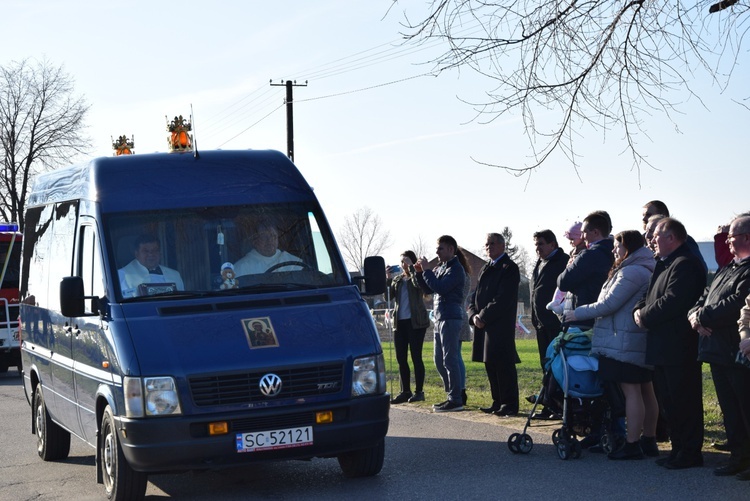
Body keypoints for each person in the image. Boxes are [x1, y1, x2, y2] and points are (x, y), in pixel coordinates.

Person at [564, 230, 658, 460]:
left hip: (625, 340)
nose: (614, 250)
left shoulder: (632, 271)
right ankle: (648, 440)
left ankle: (633, 442)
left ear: (629, 247)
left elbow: (608, 304)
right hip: (632, 338)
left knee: (632, 390)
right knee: (645, 389)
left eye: (617, 246)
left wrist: (577, 313)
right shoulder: (643, 268)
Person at [634, 217, 707, 470]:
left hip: (679, 346)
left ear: (672, 238)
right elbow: (649, 294)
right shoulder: (664, 263)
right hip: (662, 345)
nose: (652, 240)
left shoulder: (685, 263)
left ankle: (690, 452)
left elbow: (674, 301)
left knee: (683, 400)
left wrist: (644, 316)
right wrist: (638, 309)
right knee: (668, 401)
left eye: (656, 236)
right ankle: (678, 449)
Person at [688, 215, 750, 477]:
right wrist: (694, 316)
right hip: (715, 349)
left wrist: (702, 316)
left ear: (747, 237)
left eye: (732, 237)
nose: (728, 241)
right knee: (729, 408)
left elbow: (736, 304)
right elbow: (704, 296)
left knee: (745, 407)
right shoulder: (727, 268)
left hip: (737, 350)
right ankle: (739, 456)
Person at [468, 233, 521, 417]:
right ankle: (497, 401)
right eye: (486, 244)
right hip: (483, 325)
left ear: (502, 245)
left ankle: (509, 403)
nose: (488, 247)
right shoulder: (486, 268)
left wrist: (483, 316)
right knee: (490, 364)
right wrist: (473, 315)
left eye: (492, 243)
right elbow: (474, 296)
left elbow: (503, 298)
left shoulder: (509, 268)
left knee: (503, 365)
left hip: (499, 326)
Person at [414, 235, 468, 412]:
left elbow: (441, 288)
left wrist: (428, 270)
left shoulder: (456, 269)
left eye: (441, 249)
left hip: (451, 317)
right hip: (439, 318)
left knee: (450, 359)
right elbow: (429, 289)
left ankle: (456, 398)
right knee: (439, 360)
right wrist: (420, 273)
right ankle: (451, 395)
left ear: (451, 249)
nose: (436, 252)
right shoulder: (441, 267)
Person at [529, 229, 568, 419]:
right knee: (546, 366)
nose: (537, 248)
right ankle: (548, 403)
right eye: (536, 244)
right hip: (540, 323)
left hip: (555, 323)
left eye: (541, 244)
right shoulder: (539, 263)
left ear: (553, 244)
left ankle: (559, 407)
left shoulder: (563, 261)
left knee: (558, 367)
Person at [557, 211, 615, 330]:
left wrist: (570, 267)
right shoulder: (614, 253)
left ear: (595, 232)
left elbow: (563, 282)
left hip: (581, 319)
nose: (582, 237)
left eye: (584, 232)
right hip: (601, 318)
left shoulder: (589, 255)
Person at [388, 251, 431, 404]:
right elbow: (389, 296)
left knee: (416, 357)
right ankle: (405, 391)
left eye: (405, 261)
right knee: (401, 358)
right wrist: (388, 279)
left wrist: (413, 268)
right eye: (401, 262)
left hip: (416, 322)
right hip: (399, 323)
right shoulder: (398, 279)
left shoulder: (417, 275)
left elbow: (418, 285)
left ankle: (419, 391)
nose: (403, 264)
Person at [641, 200, 707, 273]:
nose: (644, 219)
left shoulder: (683, 239)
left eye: (648, 215)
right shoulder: (642, 241)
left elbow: (698, 266)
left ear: (663, 216)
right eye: (643, 215)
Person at [118, 234, 184, 298]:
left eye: (155, 250)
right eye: (145, 251)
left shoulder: (175, 275)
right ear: (136, 254)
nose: (151, 254)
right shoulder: (121, 275)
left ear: (160, 253)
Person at [234, 220, 303, 275]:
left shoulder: (294, 262)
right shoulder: (241, 268)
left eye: (273, 236)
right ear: (255, 241)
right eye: (264, 237)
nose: (269, 241)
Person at [546, 222, 584, 314]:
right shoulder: (573, 251)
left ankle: (561, 306)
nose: (570, 242)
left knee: (568, 293)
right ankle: (556, 301)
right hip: (569, 271)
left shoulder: (584, 251)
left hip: (574, 275)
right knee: (560, 288)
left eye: (572, 239)